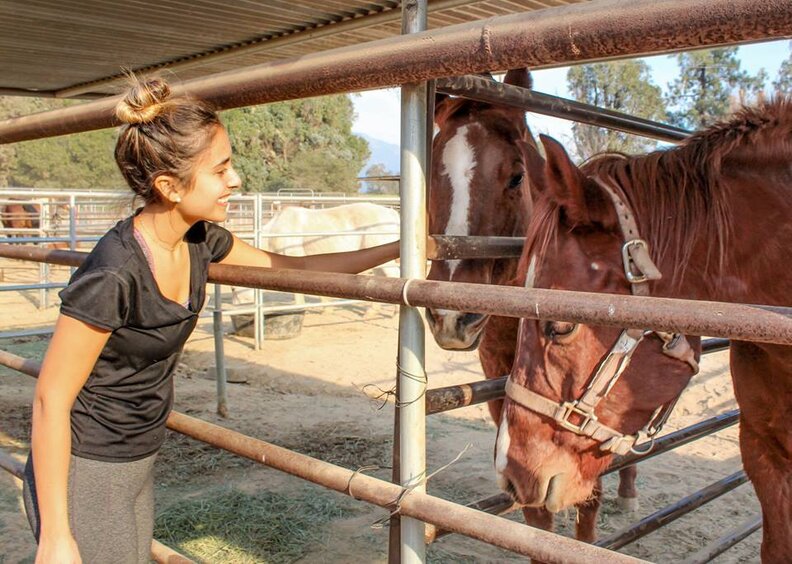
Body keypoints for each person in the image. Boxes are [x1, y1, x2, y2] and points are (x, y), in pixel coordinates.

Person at [22, 77, 400, 564]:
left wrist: (397, 246)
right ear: (169, 186)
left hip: (136, 456)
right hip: (86, 465)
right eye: (221, 169)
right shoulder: (114, 272)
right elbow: (51, 399)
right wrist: (56, 536)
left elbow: (294, 269)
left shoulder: (199, 240)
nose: (236, 179)